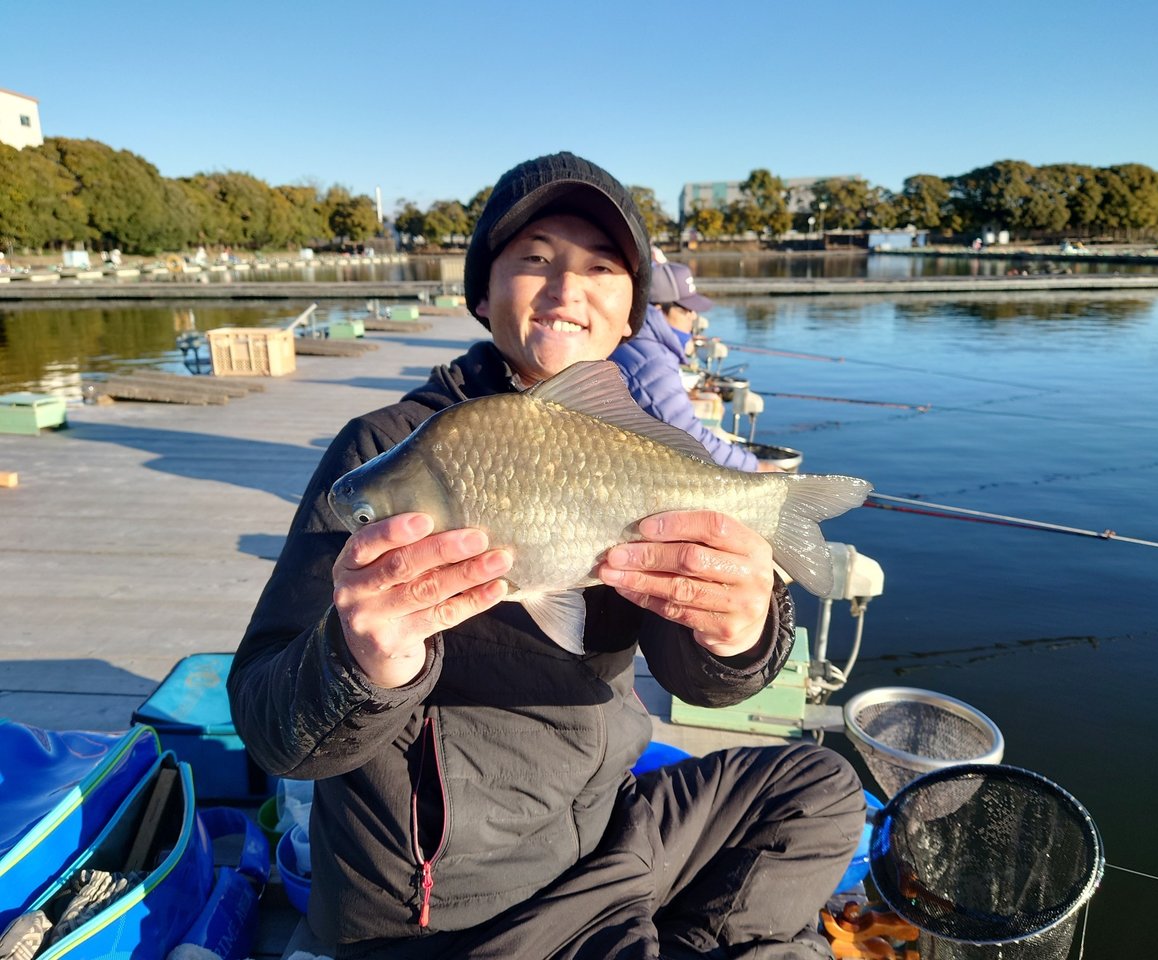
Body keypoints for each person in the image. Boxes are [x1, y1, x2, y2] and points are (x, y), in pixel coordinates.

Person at [228, 151, 863, 960]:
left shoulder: (634, 441)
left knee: (820, 787)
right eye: (534, 259)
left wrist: (740, 633)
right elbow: (272, 731)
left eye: (600, 267)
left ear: (632, 313)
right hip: (454, 907)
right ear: (481, 292)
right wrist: (357, 663)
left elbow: (695, 677)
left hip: (607, 829)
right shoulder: (381, 448)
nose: (567, 290)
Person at [610, 260, 765, 471]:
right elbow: (687, 436)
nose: (693, 316)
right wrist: (755, 467)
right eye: (685, 309)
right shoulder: (652, 359)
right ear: (657, 309)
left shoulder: (640, 339)